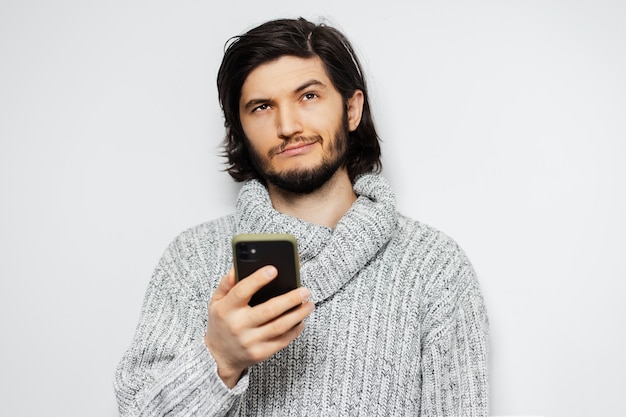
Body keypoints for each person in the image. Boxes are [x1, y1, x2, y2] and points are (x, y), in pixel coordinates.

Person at [114, 17, 489, 416]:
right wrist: (220, 359)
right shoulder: (192, 258)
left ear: (351, 108)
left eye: (308, 96)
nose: (287, 126)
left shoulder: (434, 268)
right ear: (239, 130)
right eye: (261, 107)